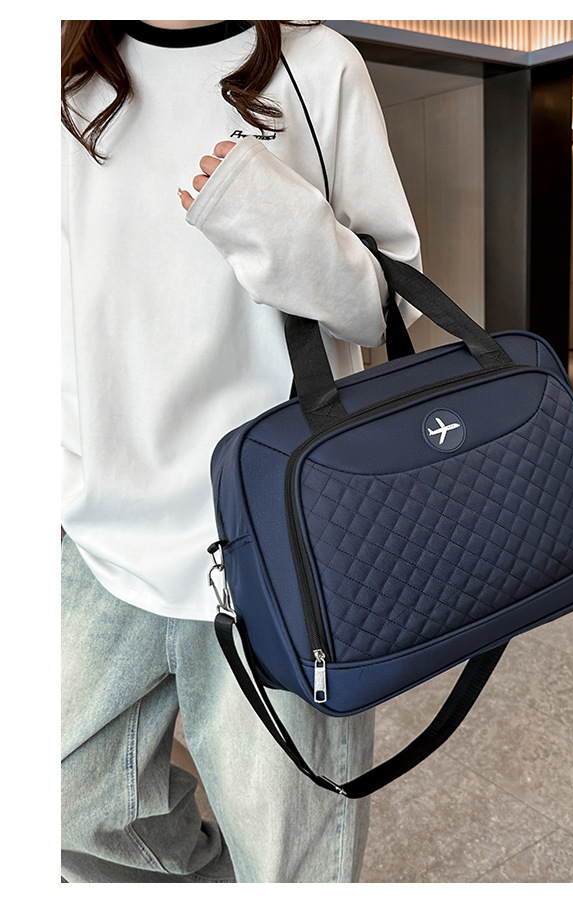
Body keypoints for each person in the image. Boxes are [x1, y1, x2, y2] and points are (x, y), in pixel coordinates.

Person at [61, 19, 422, 883]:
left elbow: (385, 308)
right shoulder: (61, 84)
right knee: (65, 801)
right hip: (98, 525)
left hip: (278, 534)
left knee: (291, 862)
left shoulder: (319, 64)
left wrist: (273, 219)